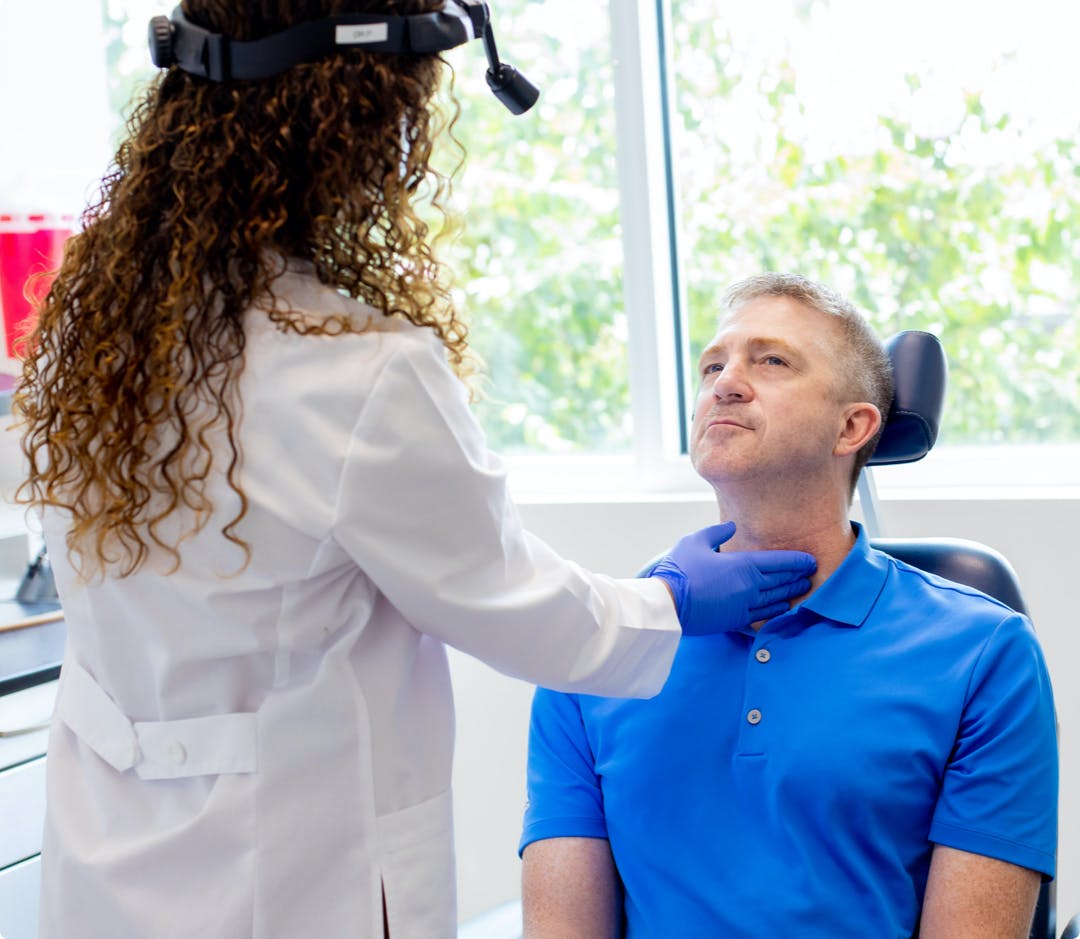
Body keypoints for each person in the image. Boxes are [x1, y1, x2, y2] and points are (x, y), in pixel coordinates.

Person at [12, 5, 817, 939]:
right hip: (285, 876)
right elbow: (515, 607)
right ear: (351, 123)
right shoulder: (356, 368)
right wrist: (670, 602)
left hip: (109, 855)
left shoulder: (91, 328)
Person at [520, 272, 1058, 938]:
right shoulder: (598, 648)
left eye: (770, 360)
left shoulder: (983, 654)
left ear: (853, 425)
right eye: (713, 364)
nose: (725, 381)